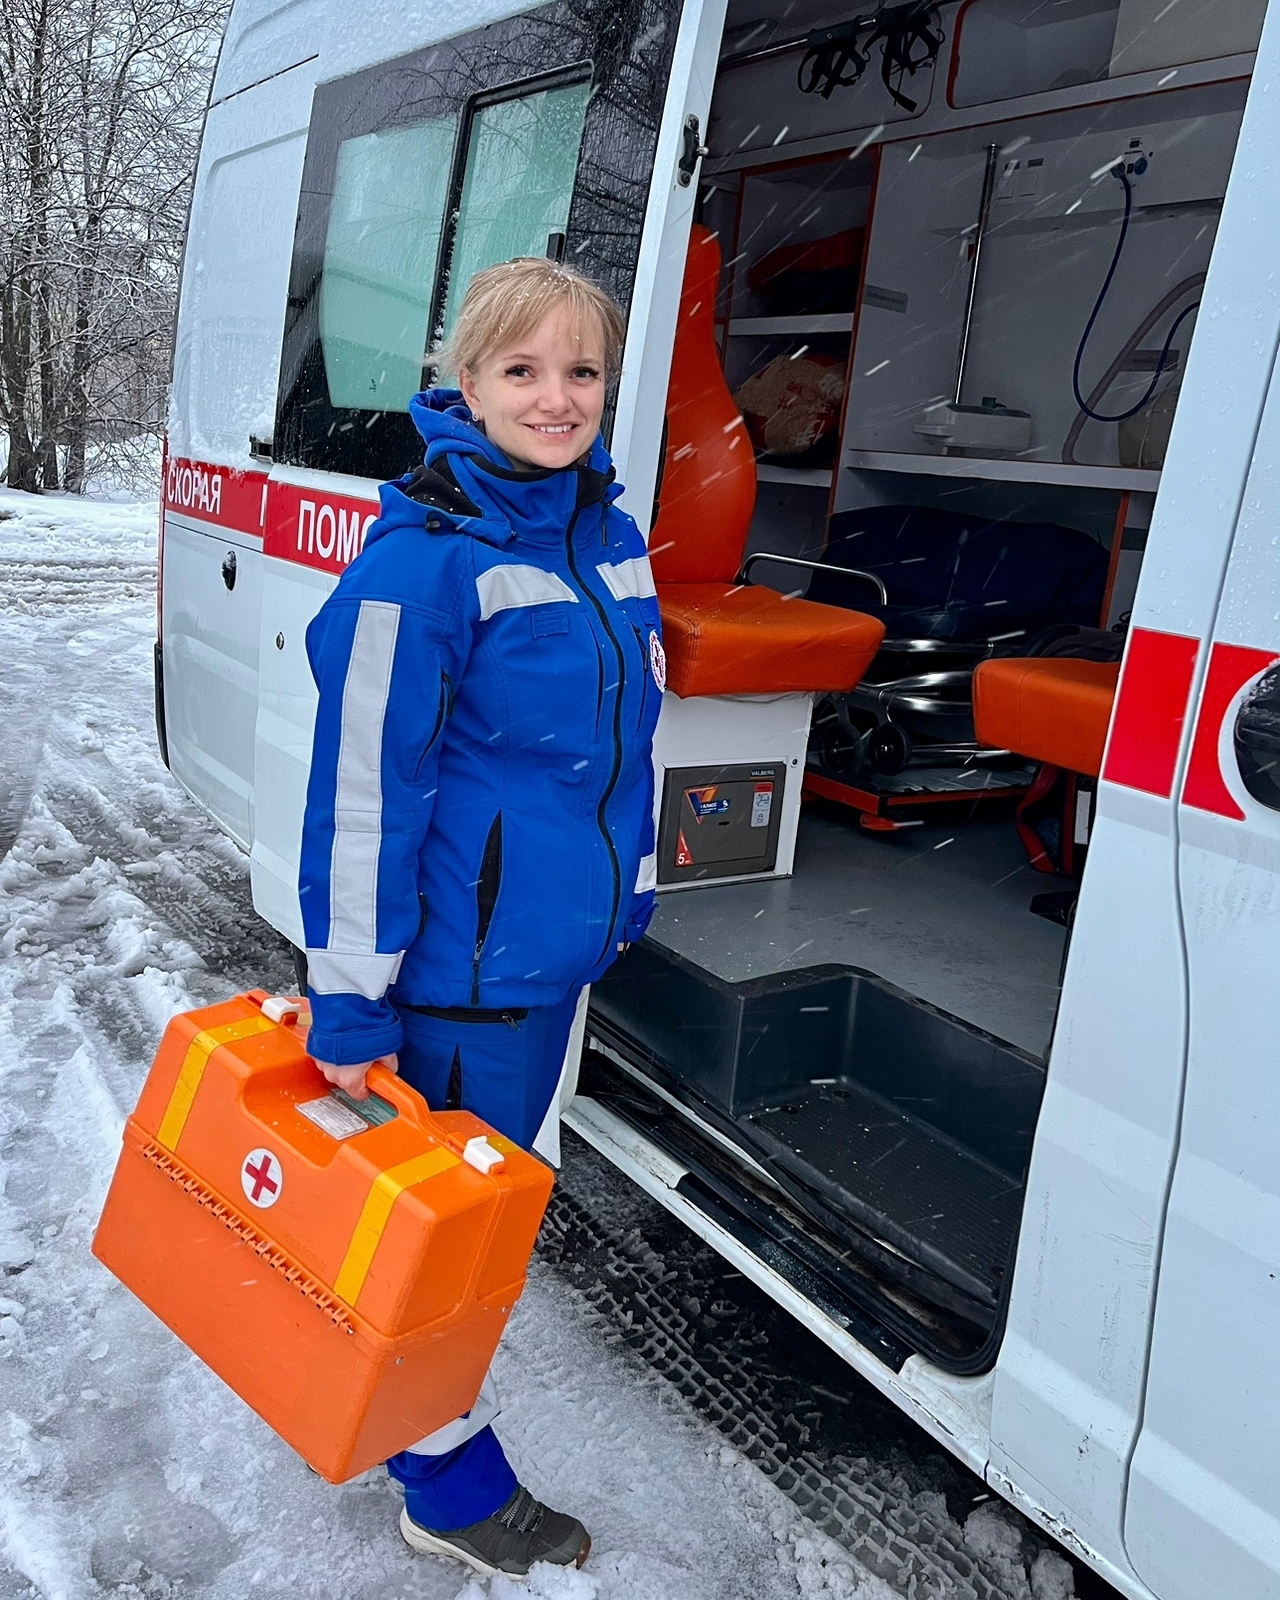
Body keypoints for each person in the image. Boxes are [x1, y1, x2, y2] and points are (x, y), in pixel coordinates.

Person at [297, 257, 664, 1578]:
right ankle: (447, 1487)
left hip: (550, 961)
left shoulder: (603, 532)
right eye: (522, 369)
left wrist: (628, 886)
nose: (557, 398)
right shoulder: (423, 563)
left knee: (485, 1220)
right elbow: (360, 802)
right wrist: (349, 999)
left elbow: (618, 748)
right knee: (441, 1248)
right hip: (460, 975)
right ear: (465, 382)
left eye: (583, 371)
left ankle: (415, 1421)